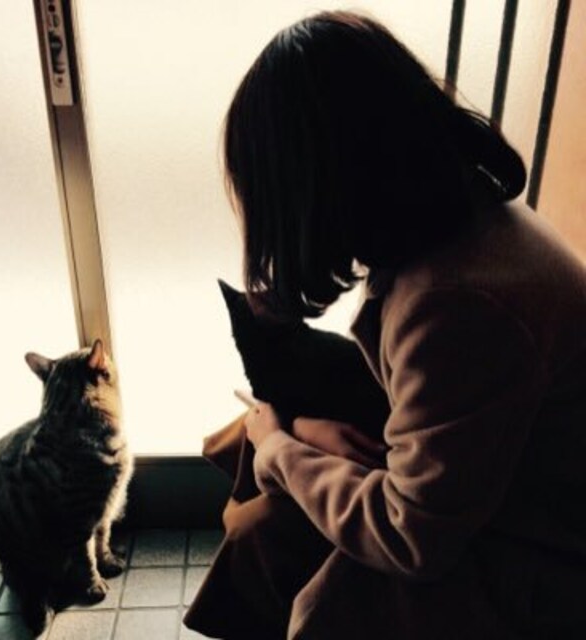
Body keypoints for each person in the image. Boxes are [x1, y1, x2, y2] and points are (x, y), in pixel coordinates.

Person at [184, 10, 586, 640]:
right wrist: (295, 434)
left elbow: (409, 535)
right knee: (253, 448)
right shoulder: (462, 220)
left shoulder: (457, 303)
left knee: (281, 546)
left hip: (540, 553)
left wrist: (283, 449)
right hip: (500, 497)